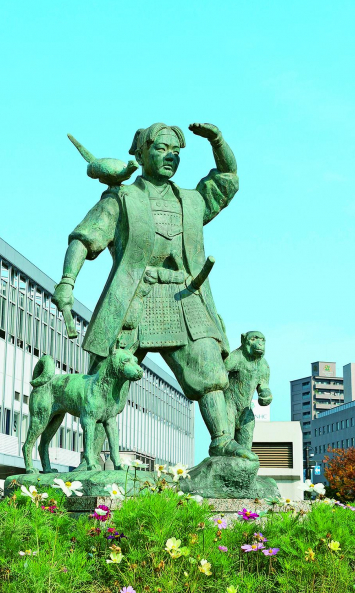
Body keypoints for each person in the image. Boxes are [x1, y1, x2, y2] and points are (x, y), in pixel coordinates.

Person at [55, 122, 255, 461]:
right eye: (161, 149)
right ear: (141, 152)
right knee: (105, 378)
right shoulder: (122, 198)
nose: (170, 157)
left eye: (175, 152)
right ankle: (95, 459)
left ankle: (222, 440)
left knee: (209, 368)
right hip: (135, 298)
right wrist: (67, 281)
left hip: (185, 297)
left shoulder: (192, 202)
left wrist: (217, 141)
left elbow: (228, 178)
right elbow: (84, 237)